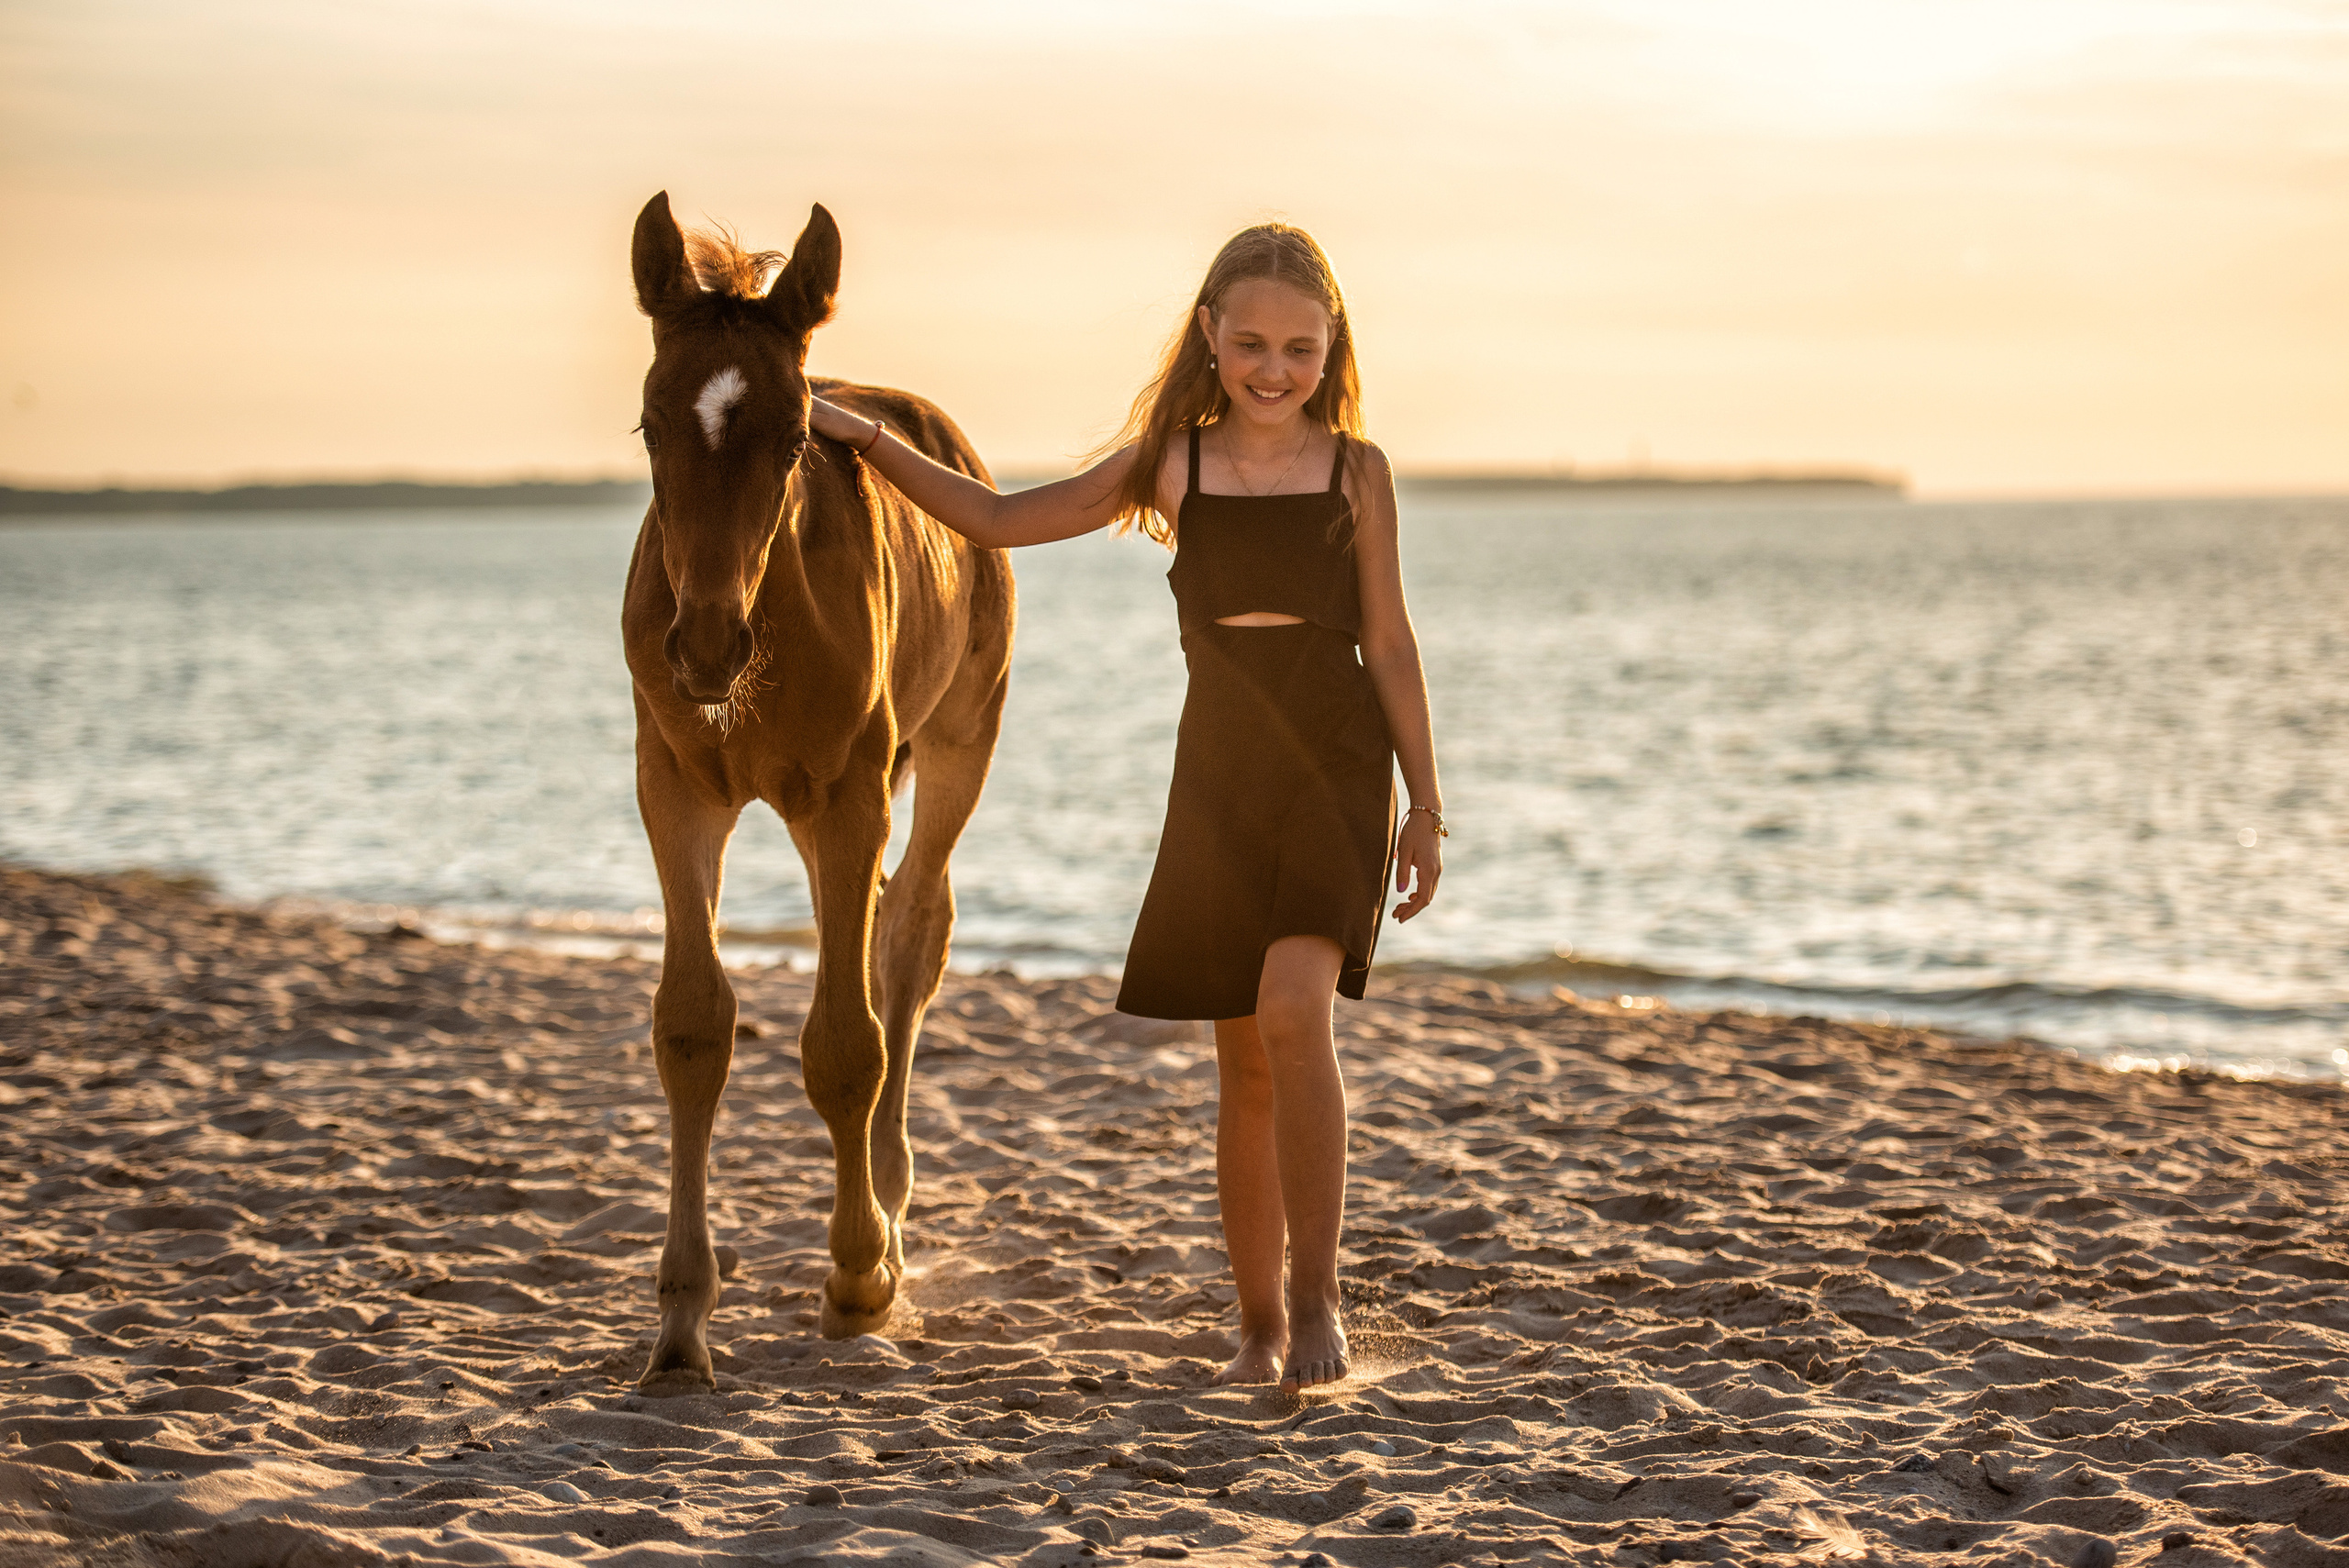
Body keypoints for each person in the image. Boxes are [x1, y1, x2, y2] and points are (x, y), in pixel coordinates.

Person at [807, 222, 1445, 1394]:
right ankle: (1256, 1325)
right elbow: (999, 520)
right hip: (1219, 769)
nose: (1272, 368)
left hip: (1338, 760)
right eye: (1249, 341)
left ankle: (1318, 1302)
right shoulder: (1173, 462)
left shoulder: (1359, 470)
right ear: (1208, 332)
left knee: (1294, 1008)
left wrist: (1426, 803)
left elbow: (1392, 641)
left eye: (1299, 348)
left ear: (1329, 346)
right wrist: (865, 437)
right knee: (1242, 1061)